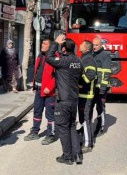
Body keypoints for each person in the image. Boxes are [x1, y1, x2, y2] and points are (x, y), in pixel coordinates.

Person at [46, 35, 83, 165]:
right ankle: (77, 154)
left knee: (63, 128)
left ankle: (67, 157)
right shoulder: (78, 61)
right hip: (73, 99)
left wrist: (55, 43)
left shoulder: (63, 61)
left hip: (63, 100)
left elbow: (49, 57)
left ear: (63, 49)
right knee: (72, 126)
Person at [24, 38, 57, 145]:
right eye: (42, 43)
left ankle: (50, 135)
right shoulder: (40, 55)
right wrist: (34, 86)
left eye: (45, 43)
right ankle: (34, 132)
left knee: (50, 114)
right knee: (37, 111)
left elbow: (57, 76)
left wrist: (50, 87)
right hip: (38, 90)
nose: (42, 45)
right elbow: (37, 71)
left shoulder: (55, 57)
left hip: (49, 92)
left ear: (50, 46)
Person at [78, 40, 97, 153]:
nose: (79, 45)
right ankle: (86, 139)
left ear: (86, 48)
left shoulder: (88, 59)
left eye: (81, 44)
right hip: (82, 94)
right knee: (83, 119)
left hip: (86, 94)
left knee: (85, 119)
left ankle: (87, 144)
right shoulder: (85, 57)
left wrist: (80, 83)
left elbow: (90, 75)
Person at [92, 37, 111, 137]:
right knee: (90, 108)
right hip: (92, 87)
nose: (94, 47)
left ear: (100, 45)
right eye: (93, 45)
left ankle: (101, 127)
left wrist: (103, 88)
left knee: (100, 108)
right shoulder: (92, 55)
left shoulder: (105, 55)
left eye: (96, 45)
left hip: (100, 88)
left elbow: (106, 73)